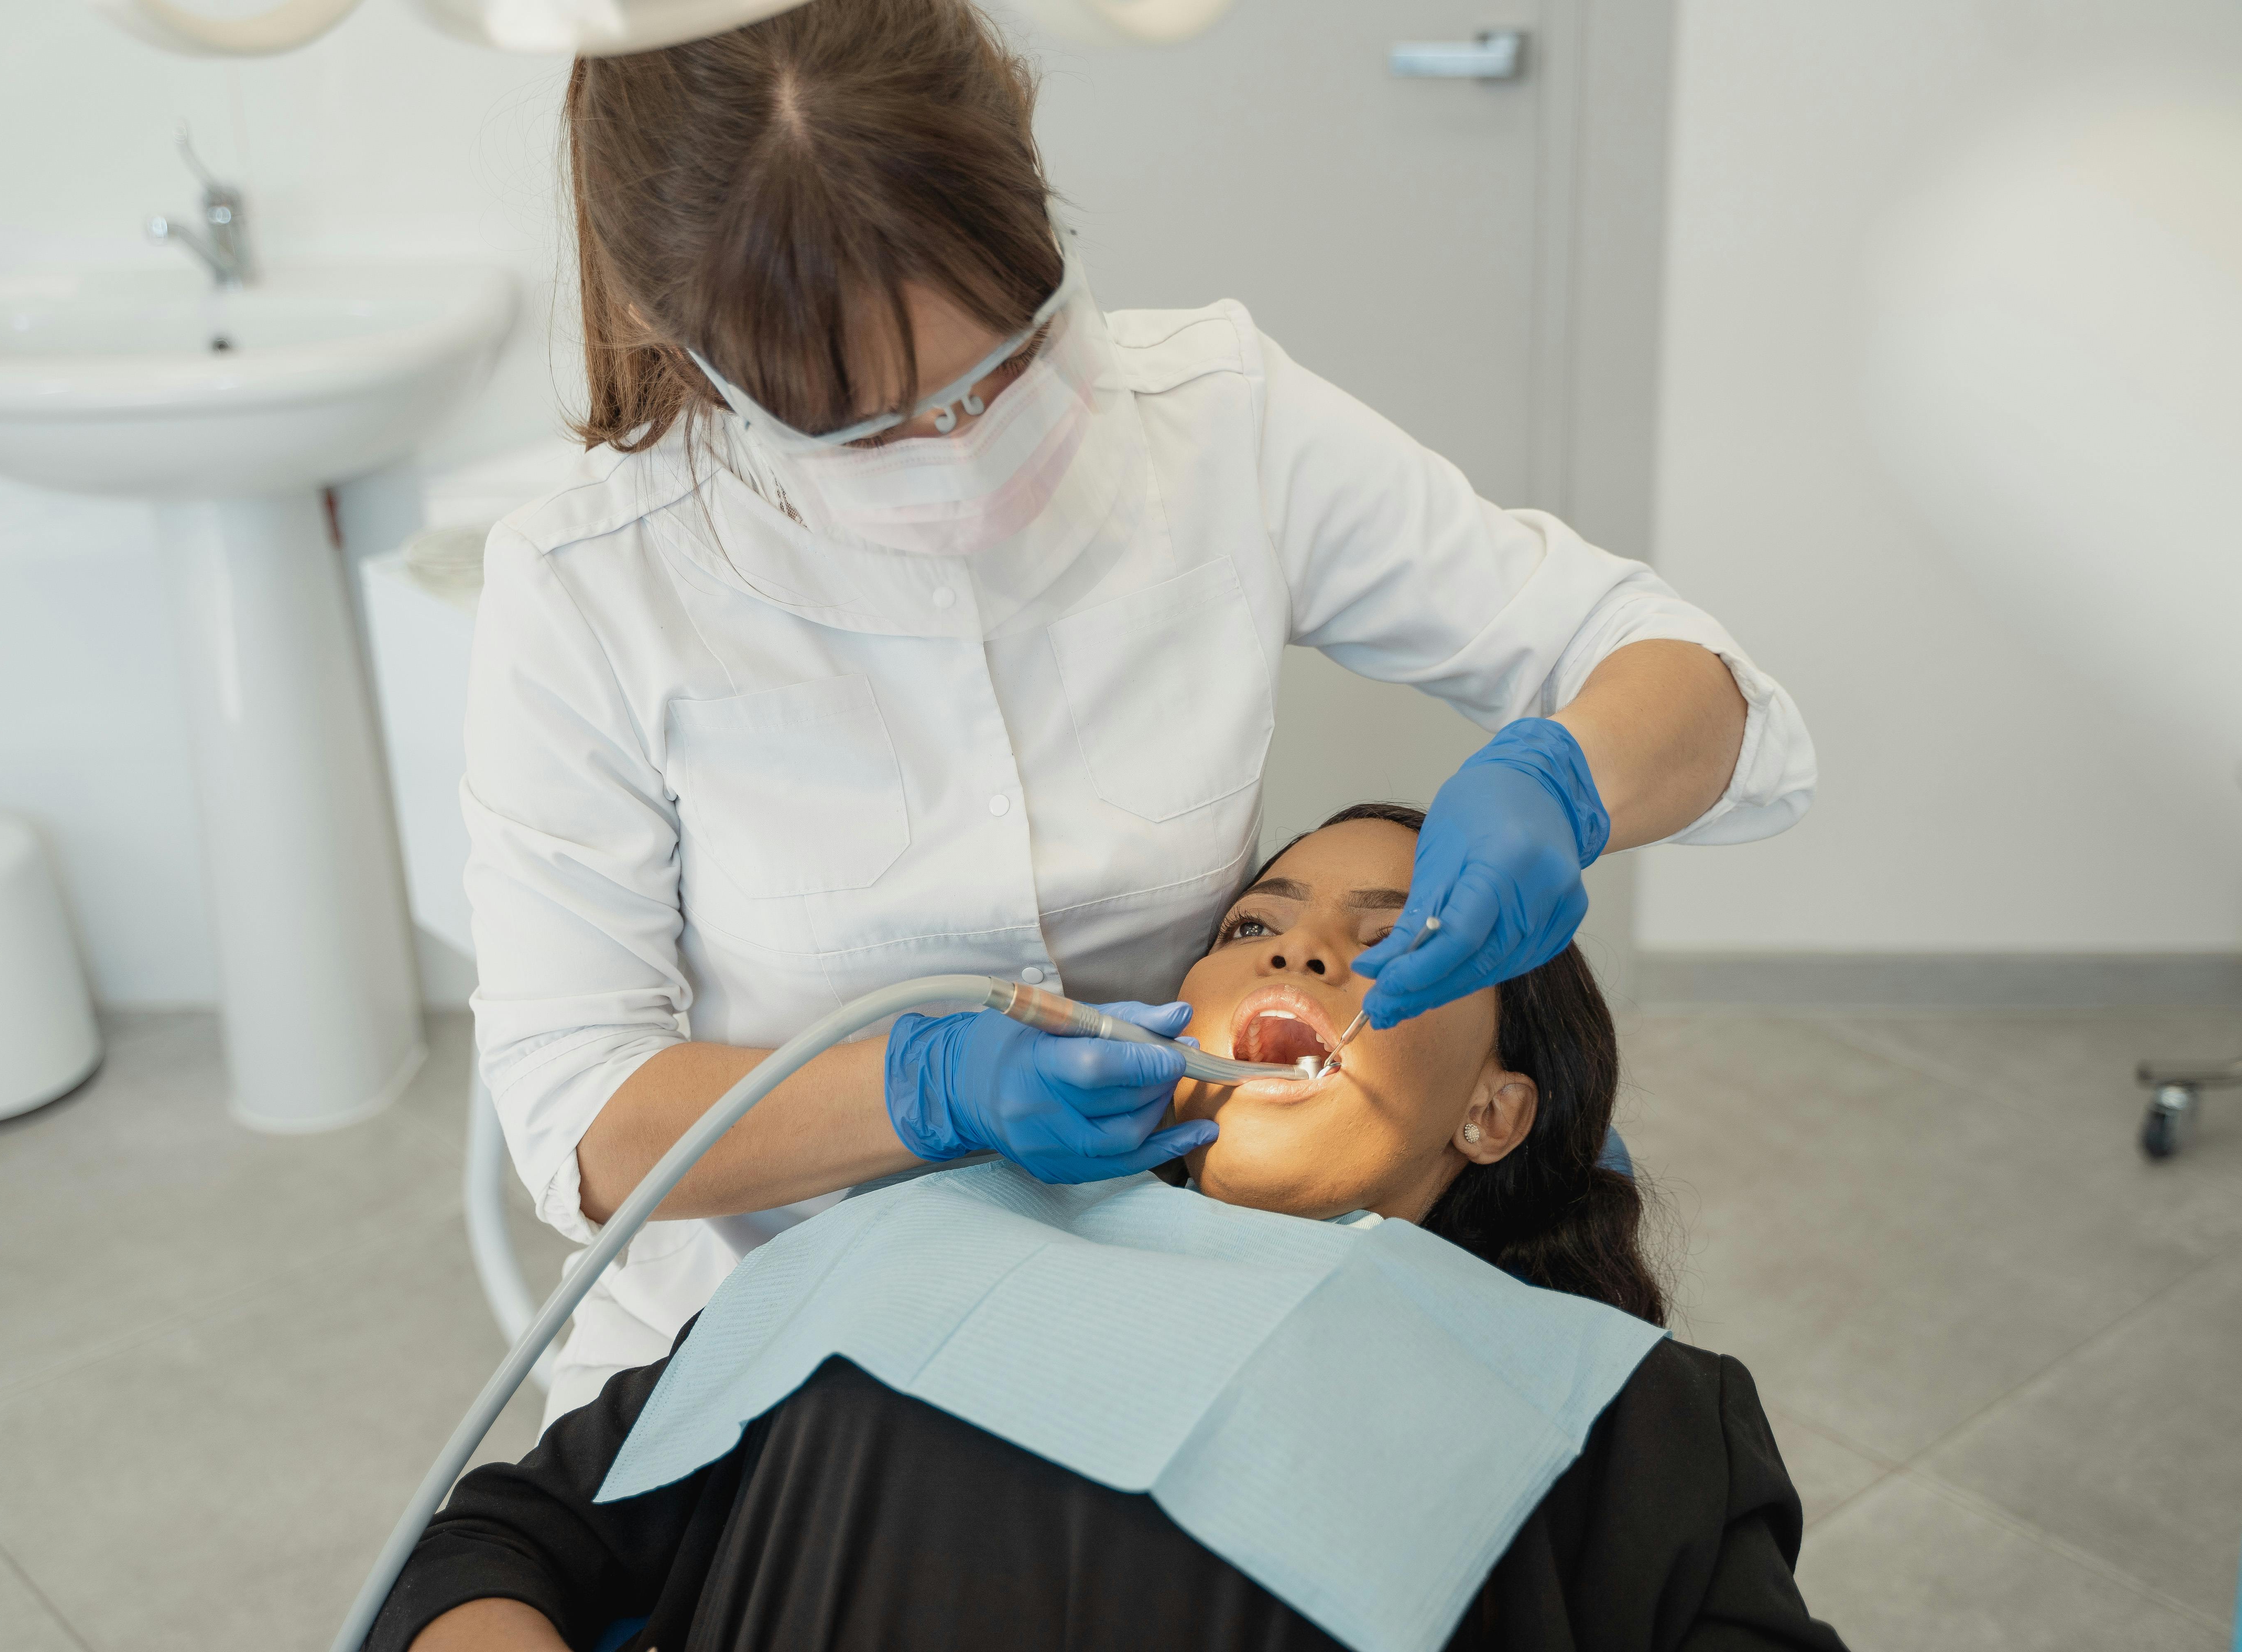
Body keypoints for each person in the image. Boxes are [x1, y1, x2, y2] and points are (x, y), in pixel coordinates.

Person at [465, 0, 1817, 1421]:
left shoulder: (1221, 425)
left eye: (1004, 365)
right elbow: (586, 1128)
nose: (957, 447)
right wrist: (921, 1093)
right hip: (770, 1329)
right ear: (693, 347)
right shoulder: (586, 591)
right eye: (863, 427)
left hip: (1196, 1289)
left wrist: (1571, 775)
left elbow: (1693, 682)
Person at [378, 806, 1848, 1652]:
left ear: (1497, 1112)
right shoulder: (897, 1246)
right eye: (1256, 929)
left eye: (1392, 943)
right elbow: (496, 1549)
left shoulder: (1623, 1414)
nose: (1303, 949)